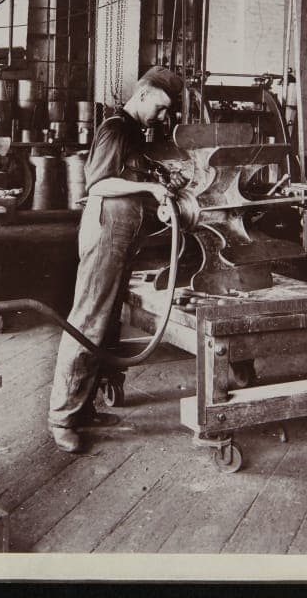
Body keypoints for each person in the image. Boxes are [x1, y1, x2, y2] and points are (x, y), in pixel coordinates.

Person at [48, 66, 185, 453]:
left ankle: (84, 409)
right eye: (159, 107)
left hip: (124, 234)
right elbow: (100, 183)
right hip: (107, 228)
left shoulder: (136, 133)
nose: (162, 117)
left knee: (107, 323)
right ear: (142, 95)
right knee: (89, 319)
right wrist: (149, 186)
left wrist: (159, 178)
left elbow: (134, 172)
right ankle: (62, 417)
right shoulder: (116, 127)